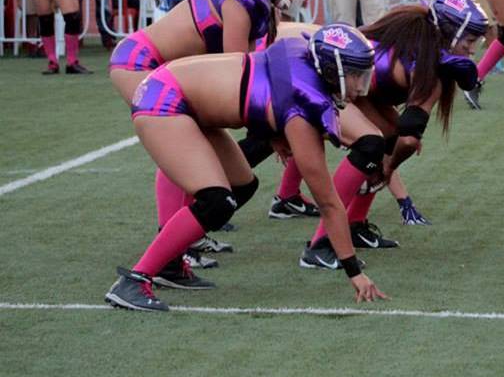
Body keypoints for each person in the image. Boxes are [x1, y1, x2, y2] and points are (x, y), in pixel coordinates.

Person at [104, 25, 388, 311]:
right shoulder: (304, 101)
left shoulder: (302, 57)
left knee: (242, 185)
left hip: (181, 95)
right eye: (355, 75)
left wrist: (273, 133)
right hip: (166, 100)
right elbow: (328, 202)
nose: (359, 86)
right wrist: (354, 271)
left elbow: (261, 83)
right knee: (217, 201)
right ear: (330, 70)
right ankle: (135, 280)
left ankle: (170, 264)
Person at [109, 0, 311, 265]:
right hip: (140, 63)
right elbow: (235, 74)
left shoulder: (255, 0)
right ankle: (173, 251)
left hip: (163, 73)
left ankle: (187, 237)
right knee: (182, 144)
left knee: (217, 159)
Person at [301, 0, 487, 267]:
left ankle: (354, 223)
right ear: (452, 32)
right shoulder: (429, 64)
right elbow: (410, 139)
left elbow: (398, 129)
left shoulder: (419, 37)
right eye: (471, 40)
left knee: (383, 141)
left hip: (345, 87)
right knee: (372, 144)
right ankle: (321, 242)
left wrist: (389, 160)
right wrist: (388, 168)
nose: (473, 49)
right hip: (322, 84)